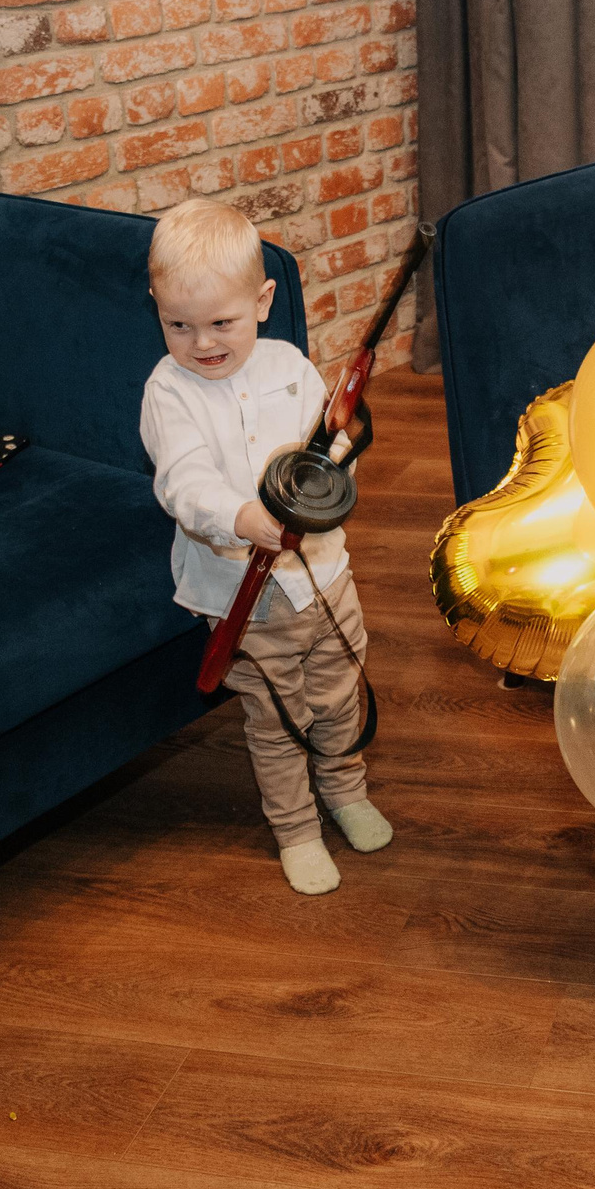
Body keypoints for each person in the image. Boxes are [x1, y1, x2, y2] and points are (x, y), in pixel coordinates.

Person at [139, 198, 391, 896]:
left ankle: (344, 789)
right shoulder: (169, 392)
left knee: (339, 695)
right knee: (278, 717)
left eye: (221, 321)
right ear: (156, 309)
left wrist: (340, 466)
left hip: (325, 575)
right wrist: (239, 514)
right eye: (178, 325)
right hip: (243, 597)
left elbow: (331, 448)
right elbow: (183, 481)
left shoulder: (289, 364)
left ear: (263, 300)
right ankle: (296, 828)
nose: (202, 342)